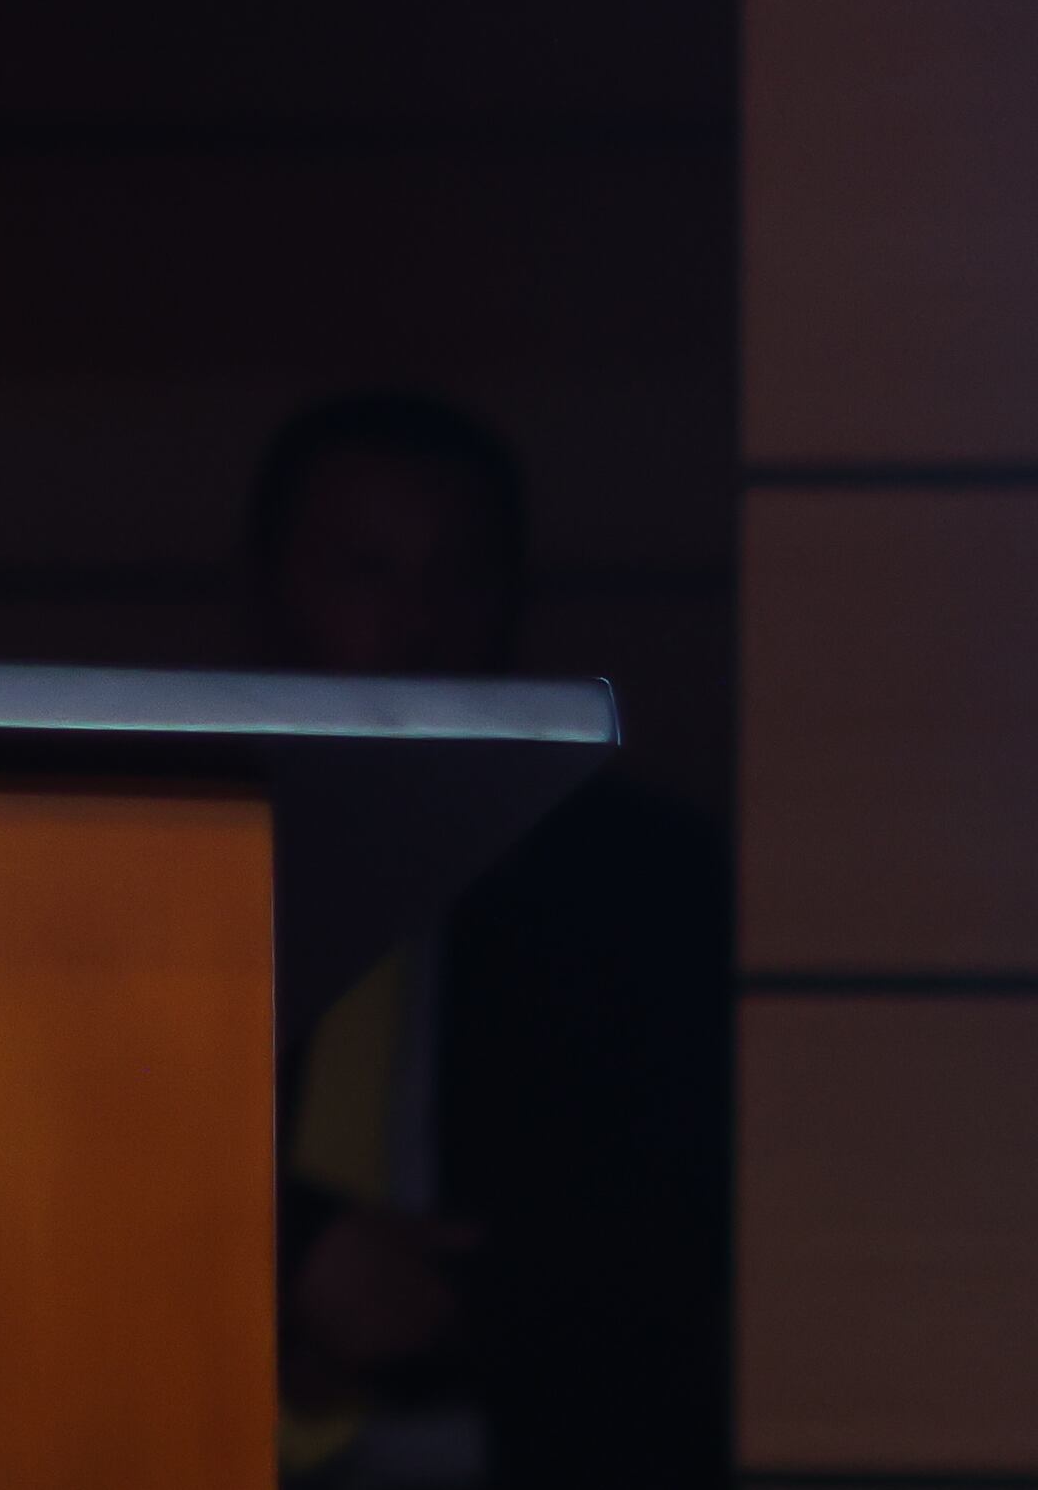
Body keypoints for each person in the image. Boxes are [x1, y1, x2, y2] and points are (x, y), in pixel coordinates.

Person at [251, 392, 732, 1489]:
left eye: (455, 575)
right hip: (187, 1415)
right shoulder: (164, 862)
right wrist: (292, 1255)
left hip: (527, 1438)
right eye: (364, 569)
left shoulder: (642, 880)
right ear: (271, 588)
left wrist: (426, 1311)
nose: (414, 622)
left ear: (512, 600)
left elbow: (684, 1230)